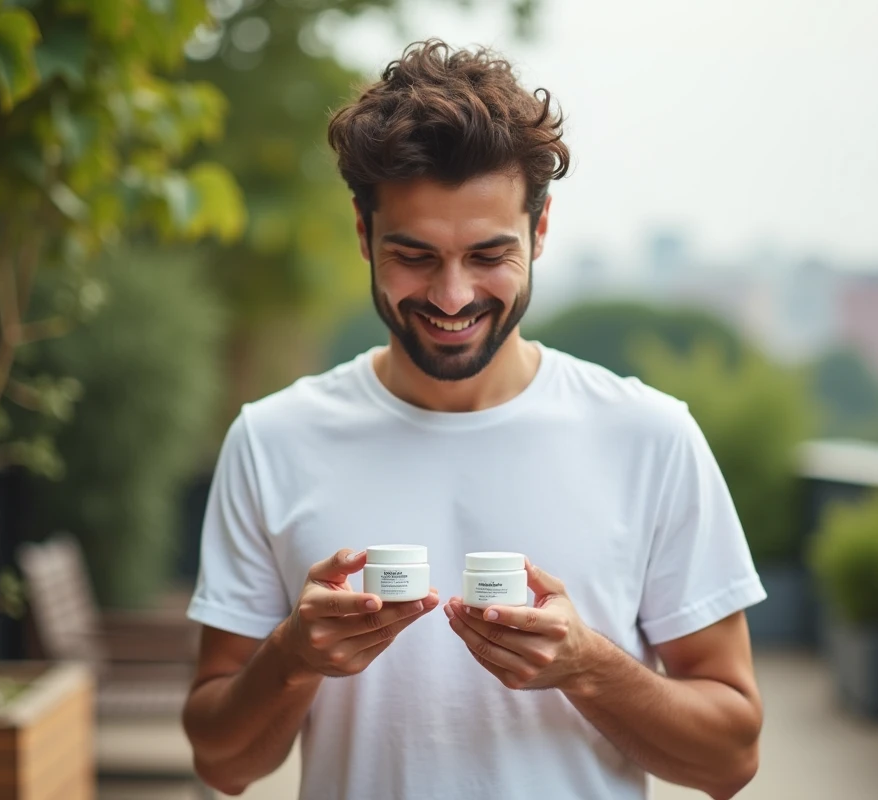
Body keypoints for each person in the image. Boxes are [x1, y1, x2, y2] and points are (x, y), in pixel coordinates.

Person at [181, 38, 766, 800]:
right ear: (364, 237)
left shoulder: (650, 437)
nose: (453, 296)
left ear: (541, 232)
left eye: (489, 254)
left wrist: (588, 665)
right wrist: (293, 655)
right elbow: (221, 763)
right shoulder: (272, 439)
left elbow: (731, 761)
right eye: (414, 256)